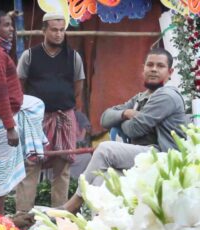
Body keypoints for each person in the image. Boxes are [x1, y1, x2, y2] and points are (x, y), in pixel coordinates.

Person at [62, 48, 188, 213]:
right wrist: (125, 113)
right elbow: (105, 118)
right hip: (143, 157)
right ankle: (101, 228)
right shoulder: (140, 98)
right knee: (102, 180)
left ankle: (73, 203)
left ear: (170, 72)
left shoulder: (167, 96)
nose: (154, 69)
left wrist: (121, 122)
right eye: (150, 65)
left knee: (106, 149)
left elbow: (134, 130)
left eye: (160, 66)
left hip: (165, 157)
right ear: (143, 69)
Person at [15, 12, 85, 212]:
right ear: (43, 30)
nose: (58, 34)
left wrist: (62, 101)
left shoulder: (73, 57)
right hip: (36, 119)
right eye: (54, 30)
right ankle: (23, 215)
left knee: (62, 167)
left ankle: (58, 216)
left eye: (62, 30)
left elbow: (77, 87)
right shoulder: (29, 56)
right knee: (31, 163)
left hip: (65, 116)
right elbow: (21, 85)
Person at [0, 10, 47, 214]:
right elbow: (0, 94)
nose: (11, 29)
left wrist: (11, 22)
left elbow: (10, 52)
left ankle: (33, 143)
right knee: (1, 168)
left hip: (0, 114)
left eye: (11, 25)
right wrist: (10, 128)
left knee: (35, 104)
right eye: (6, 25)